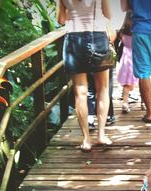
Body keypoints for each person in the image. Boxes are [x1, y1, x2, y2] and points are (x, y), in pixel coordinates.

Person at [58, 0, 113, 152]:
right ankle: (101, 135)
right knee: (102, 88)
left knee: (80, 92)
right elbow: (108, 15)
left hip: (74, 40)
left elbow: (61, 20)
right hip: (98, 37)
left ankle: (86, 139)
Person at [116, 10, 139, 113]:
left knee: (126, 83)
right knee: (141, 79)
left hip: (125, 58)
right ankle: (144, 103)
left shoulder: (122, 32)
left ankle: (125, 103)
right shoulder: (137, 32)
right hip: (135, 57)